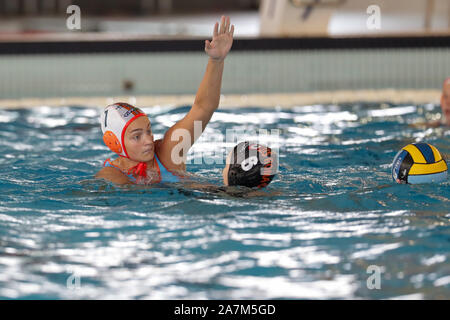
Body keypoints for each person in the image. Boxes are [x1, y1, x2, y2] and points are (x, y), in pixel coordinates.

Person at [95, 16, 234, 185]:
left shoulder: (168, 152)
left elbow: (203, 107)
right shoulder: (111, 176)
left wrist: (216, 61)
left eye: (148, 131)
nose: (148, 141)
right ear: (115, 143)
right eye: (137, 137)